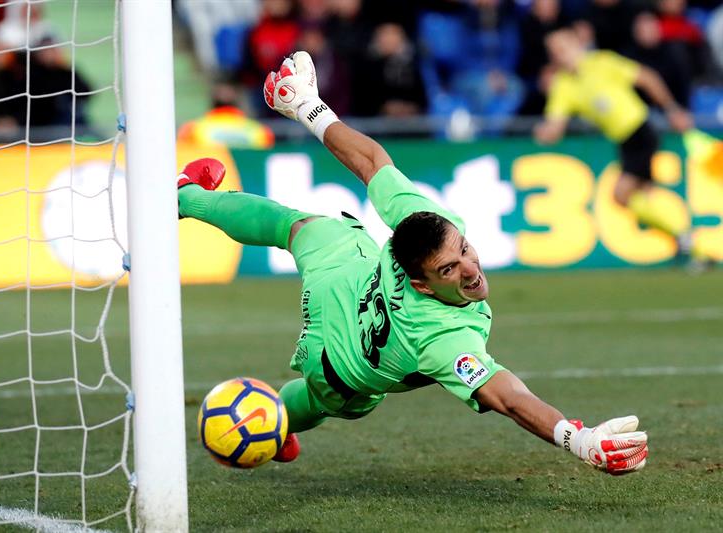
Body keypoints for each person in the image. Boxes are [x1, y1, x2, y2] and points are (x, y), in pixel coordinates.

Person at [178, 51, 649, 475]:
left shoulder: (427, 224)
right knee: (321, 401)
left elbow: (370, 160)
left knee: (300, 226)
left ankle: (187, 195)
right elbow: (507, 397)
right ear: (422, 284)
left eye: (463, 249)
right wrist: (580, 440)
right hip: (340, 362)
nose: (470, 269)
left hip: (347, 278)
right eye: (449, 270)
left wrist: (306, 106)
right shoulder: (442, 338)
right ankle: (276, 424)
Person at [534, 27, 700, 260]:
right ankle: (691, 248)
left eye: (562, 49)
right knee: (641, 196)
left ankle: (685, 237)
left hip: (640, 131)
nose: (559, 55)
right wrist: (545, 133)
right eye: (553, 52)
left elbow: (647, 78)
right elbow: (555, 124)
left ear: (576, 44)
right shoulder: (563, 84)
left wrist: (672, 110)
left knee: (621, 194)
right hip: (624, 141)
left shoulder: (602, 62)